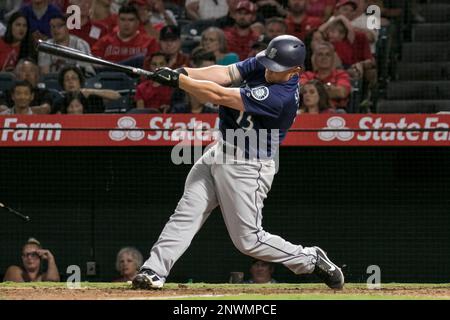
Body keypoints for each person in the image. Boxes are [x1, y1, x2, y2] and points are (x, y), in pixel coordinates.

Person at [131, 35, 344, 290]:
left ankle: (310, 259)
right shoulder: (266, 63)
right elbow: (223, 73)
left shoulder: (281, 97)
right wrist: (183, 71)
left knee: (249, 241)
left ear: (295, 71)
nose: (268, 69)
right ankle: (154, 270)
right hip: (220, 150)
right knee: (187, 213)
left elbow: (219, 94)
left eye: (276, 68)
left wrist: (180, 81)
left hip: (247, 166)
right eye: (268, 63)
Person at [92, 4, 159, 65]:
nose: (126, 24)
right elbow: (94, 64)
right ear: (117, 21)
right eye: (123, 19)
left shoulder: (150, 42)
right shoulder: (105, 41)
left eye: (131, 20)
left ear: (138, 22)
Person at [300, 41, 351, 110]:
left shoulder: (341, 75)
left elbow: (341, 93)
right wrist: (330, 89)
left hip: (335, 112)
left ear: (333, 59)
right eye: (320, 54)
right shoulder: (307, 75)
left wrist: (313, 91)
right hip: (309, 112)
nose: (324, 57)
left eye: (328, 55)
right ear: (314, 58)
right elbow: (299, 90)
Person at [53, 65, 121, 113]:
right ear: (63, 84)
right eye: (67, 79)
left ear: (80, 82)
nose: (70, 82)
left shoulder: (91, 98)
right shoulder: (60, 102)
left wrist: (91, 91)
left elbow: (116, 96)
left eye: (74, 78)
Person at [170, 48, 218, 113]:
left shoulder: (222, 88)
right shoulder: (183, 86)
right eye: (205, 70)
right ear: (196, 69)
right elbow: (176, 109)